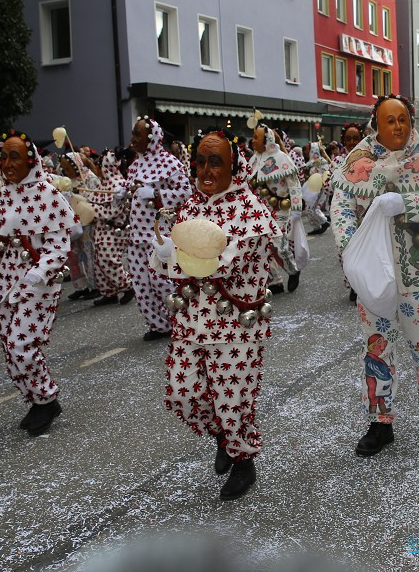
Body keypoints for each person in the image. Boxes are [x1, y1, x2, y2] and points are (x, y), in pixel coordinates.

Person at [154, 129, 281, 500]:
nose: (206, 170)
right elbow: (175, 252)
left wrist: (170, 257)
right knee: (182, 393)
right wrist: (162, 253)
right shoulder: (190, 205)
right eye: (201, 161)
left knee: (231, 401)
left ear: (234, 165)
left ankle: (243, 460)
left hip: (235, 327)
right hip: (191, 321)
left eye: (216, 162)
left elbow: (217, 265)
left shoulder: (251, 211)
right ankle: (224, 436)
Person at [330, 95, 419, 456]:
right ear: (377, 123)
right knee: (377, 348)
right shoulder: (358, 160)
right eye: (390, 120)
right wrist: (350, 252)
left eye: (402, 119)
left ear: (410, 120)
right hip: (374, 277)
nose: (397, 126)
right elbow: (340, 207)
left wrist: (408, 203)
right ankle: (379, 421)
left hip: (418, 272)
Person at [0, 131, 76, 436]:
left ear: (30, 159)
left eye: (14, 156)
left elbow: (58, 246)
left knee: (21, 344)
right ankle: (38, 399)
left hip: (37, 282)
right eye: (3, 156)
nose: (7, 162)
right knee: (8, 346)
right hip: (6, 280)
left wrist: (39, 272)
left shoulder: (48, 193)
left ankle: (47, 397)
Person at [117, 117, 192, 341]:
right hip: (136, 237)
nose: (132, 139)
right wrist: (121, 195)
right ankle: (159, 326)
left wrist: (157, 195)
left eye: (137, 135)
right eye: (133, 133)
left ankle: (181, 321)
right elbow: (132, 194)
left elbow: (186, 193)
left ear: (151, 138)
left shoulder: (170, 163)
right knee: (140, 285)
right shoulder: (135, 164)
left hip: (160, 235)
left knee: (162, 281)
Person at [249, 124, 303, 294]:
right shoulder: (254, 160)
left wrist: (296, 209)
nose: (253, 140)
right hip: (260, 211)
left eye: (256, 137)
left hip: (280, 209)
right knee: (262, 246)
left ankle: (293, 270)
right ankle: (274, 281)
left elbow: (294, 185)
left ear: (267, 140)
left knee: (279, 245)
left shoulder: (282, 159)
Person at [325, 123, 366, 302]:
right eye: (348, 139)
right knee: (345, 247)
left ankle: (364, 284)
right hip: (344, 210)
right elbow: (327, 188)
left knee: (365, 247)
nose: (352, 142)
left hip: (365, 210)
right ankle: (352, 284)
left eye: (355, 138)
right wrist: (331, 180)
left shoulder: (370, 158)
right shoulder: (338, 162)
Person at [86, 149, 133, 306]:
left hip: (114, 229)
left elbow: (113, 211)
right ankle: (109, 292)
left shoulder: (118, 184)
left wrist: (91, 210)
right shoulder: (103, 183)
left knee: (108, 260)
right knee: (99, 261)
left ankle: (127, 285)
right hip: (101, 229)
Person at [61, 152, 101, 302]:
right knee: (72, 255)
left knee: (88, 254)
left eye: (67, 167)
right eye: (63, 168)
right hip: (72, 223)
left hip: (87, 223)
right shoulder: (66, 181)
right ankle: (80, 286)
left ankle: (94, 286)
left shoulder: (90, 179)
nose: (66, 170)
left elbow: (98, 199)